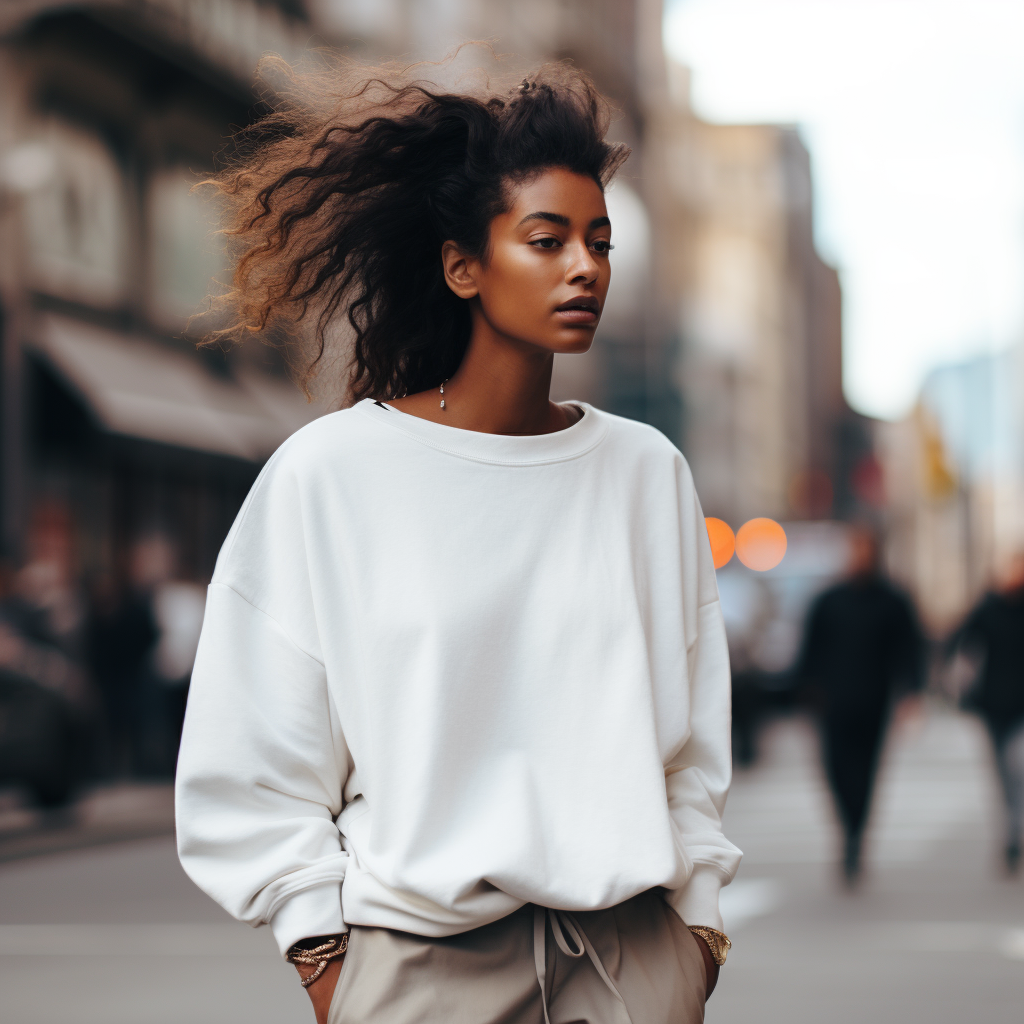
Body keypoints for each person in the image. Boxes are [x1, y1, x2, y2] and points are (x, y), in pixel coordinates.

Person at [175, 57, 740, 1024]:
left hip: (630, 965)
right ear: (462, 265)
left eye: (599, 242)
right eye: (547, 238)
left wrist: (697, 938)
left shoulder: (646, 472)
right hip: (422, 974)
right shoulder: (334, 474)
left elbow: (687, 748)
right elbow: (252, 752)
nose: (584, 267)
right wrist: (324, 957)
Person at [796, 525, 924, 885]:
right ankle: (847, 826)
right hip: (832, 704)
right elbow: (809, 651)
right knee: (835, 770)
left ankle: (856, 836)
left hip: (874, 701)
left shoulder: (894, 600)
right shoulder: (828, 600)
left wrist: (911, 694)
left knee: (866, 773)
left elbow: (909, 650)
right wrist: (803, 694)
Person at [946, 553, 1024, 874]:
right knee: (1004, 772)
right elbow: (959, 641)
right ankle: (1011, 829)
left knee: (1017, 763)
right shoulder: (987, 607)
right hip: (994, 702)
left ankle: (1015, 825)